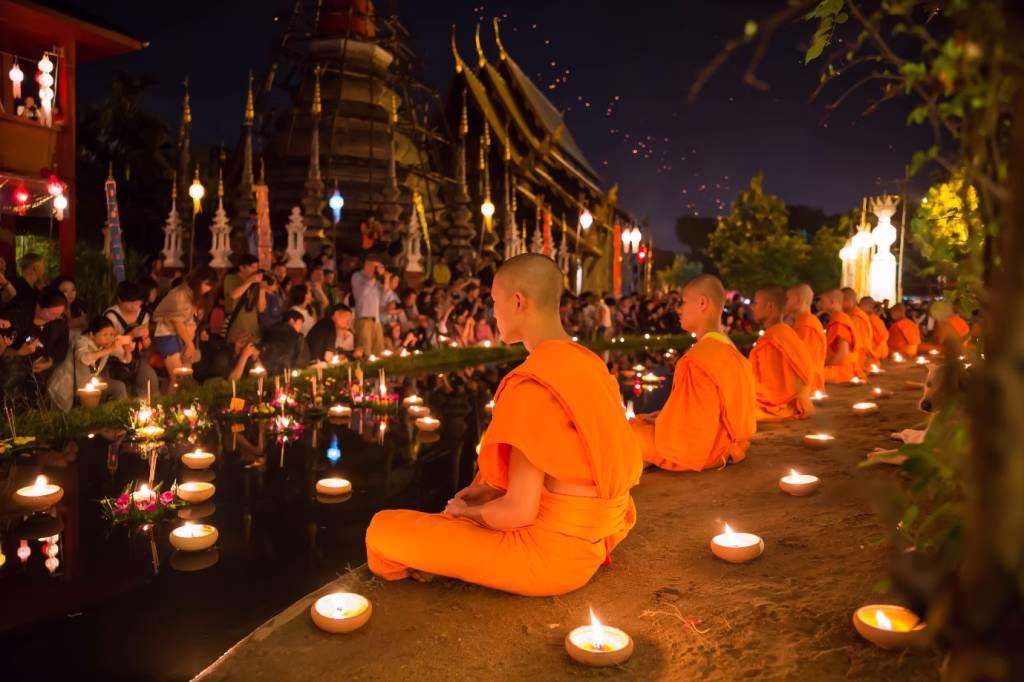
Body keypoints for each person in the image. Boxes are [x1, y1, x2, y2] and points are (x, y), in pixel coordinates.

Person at [366, 254, 642, 596]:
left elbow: (518, 513)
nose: (492, 313)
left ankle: (436, 564)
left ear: (517, 301)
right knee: (462, 512)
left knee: (381, 531)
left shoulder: (534, 384)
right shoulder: (591, 365)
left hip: (547, 559)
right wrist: (487, 493)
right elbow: (565, 467)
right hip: (595, 540)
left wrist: (470, 512)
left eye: (494, 302)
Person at [629, 275, 756, 472]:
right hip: (731, 442)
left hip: (705, 450)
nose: (678, 309)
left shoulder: (699, 358)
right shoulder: (728, 347)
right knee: (643, 422)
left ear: (703, 303)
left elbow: (690, 431)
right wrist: (664, 416)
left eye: (683, 302)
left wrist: (664, 422)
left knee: (628, 432)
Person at [749, 287, 815, 421]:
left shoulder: (773, 339)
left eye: (755, 303)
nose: (752, 307)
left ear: (770, 307)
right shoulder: (784, 333)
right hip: (791, 398)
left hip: (779, 405)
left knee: (733, 408)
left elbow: (770, 390)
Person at [1, 288, 70, 402]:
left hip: (38, 377)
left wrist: (49, 362)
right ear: (39, 306)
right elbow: (3, 351)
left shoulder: (59, 324)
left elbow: (61, 348)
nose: (55, 317)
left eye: (58, 314)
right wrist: (19, 352)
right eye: (52, 313)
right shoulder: (18, 319)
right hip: (11, 376)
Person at [152, 266, 217, 382]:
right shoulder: (181, 294)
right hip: (167, 333)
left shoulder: (195, 295)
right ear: (198, 280)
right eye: (207, 284)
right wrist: (190, 344)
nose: (208, 289)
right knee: (178, 378)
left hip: (184, 336)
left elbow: (193, 319)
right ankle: (171, 401)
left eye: (211, 286)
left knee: (186, 378)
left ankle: (180, 400)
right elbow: (178, 322)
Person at [104, 281, 159, 397]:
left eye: (138, 304)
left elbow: (146, 345)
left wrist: (145, 339)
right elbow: (110, 342)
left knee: (150, 378)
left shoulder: (144, 315)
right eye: (130, 304)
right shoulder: (111, 316)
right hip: (114, 361)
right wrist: (132, 335)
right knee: (123, 387)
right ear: (119, 300)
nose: (135, 307)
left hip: (136, 359)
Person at [73, 316, 134, 401]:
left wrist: (127, 349)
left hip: (91, 384)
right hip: (72, 385)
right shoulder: (81, 342)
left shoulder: (107, 345)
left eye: (112, 334)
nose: (109, 338)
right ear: (92, 335)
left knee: (118, 387)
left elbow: (126, 360)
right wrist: (110, 349)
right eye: (105, 335)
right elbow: (85, 358)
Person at [785, 283, 826, 393]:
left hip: (807, 385)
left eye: (787, 299)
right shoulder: (800, 323)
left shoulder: (807, 325)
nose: (784, 303)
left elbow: (804, 364)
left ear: (798, 301)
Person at [222, 255, 266, 344]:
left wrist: (262, 289)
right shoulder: (231, 278)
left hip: (253, 328)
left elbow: (261, 308)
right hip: (237, 327)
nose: (255, 271)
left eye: (256, 267)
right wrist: (250, 281)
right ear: (241, 268)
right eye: (252, 267)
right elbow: (234, 295)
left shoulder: (255, 284)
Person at [350, 253, 387, 356]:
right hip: (363, 320)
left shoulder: (377, 282)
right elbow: (362, 292)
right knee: (365, 352)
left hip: (376, 320)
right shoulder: (357, 276)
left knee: (379, 352)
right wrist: (372, 276)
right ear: (367, 265)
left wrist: (386, 278)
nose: (377, 270)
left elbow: (384, 297)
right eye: (375, 267)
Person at [820, 289, 859, 383]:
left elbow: (842, 355)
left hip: (841, 371)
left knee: (810, 374)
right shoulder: (837, 319)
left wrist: (824, 364)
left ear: (832, 302)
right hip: (838, 368)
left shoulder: (840, 321)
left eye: (823, 301)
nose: (820, 303)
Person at [259, 310, 311, 375]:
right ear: (292, 321)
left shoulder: (271, 330)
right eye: (300, 324)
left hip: (267, 371)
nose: (302, 328)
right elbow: (302, 361)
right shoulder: (296, 337)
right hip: (287, 372)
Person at [842, 287, 872, 378]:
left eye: (842, 300)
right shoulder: (849, 316)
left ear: (851, 300)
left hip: (856, 361)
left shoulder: (856, 317)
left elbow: (858, 344)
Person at [859, 296, 890, 360]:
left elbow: (884, 335)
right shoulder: (866, 317)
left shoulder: (873, 318)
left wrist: (873, 350)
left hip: (876, 351)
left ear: (868, 305)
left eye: (861, 305)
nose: (859, 307)